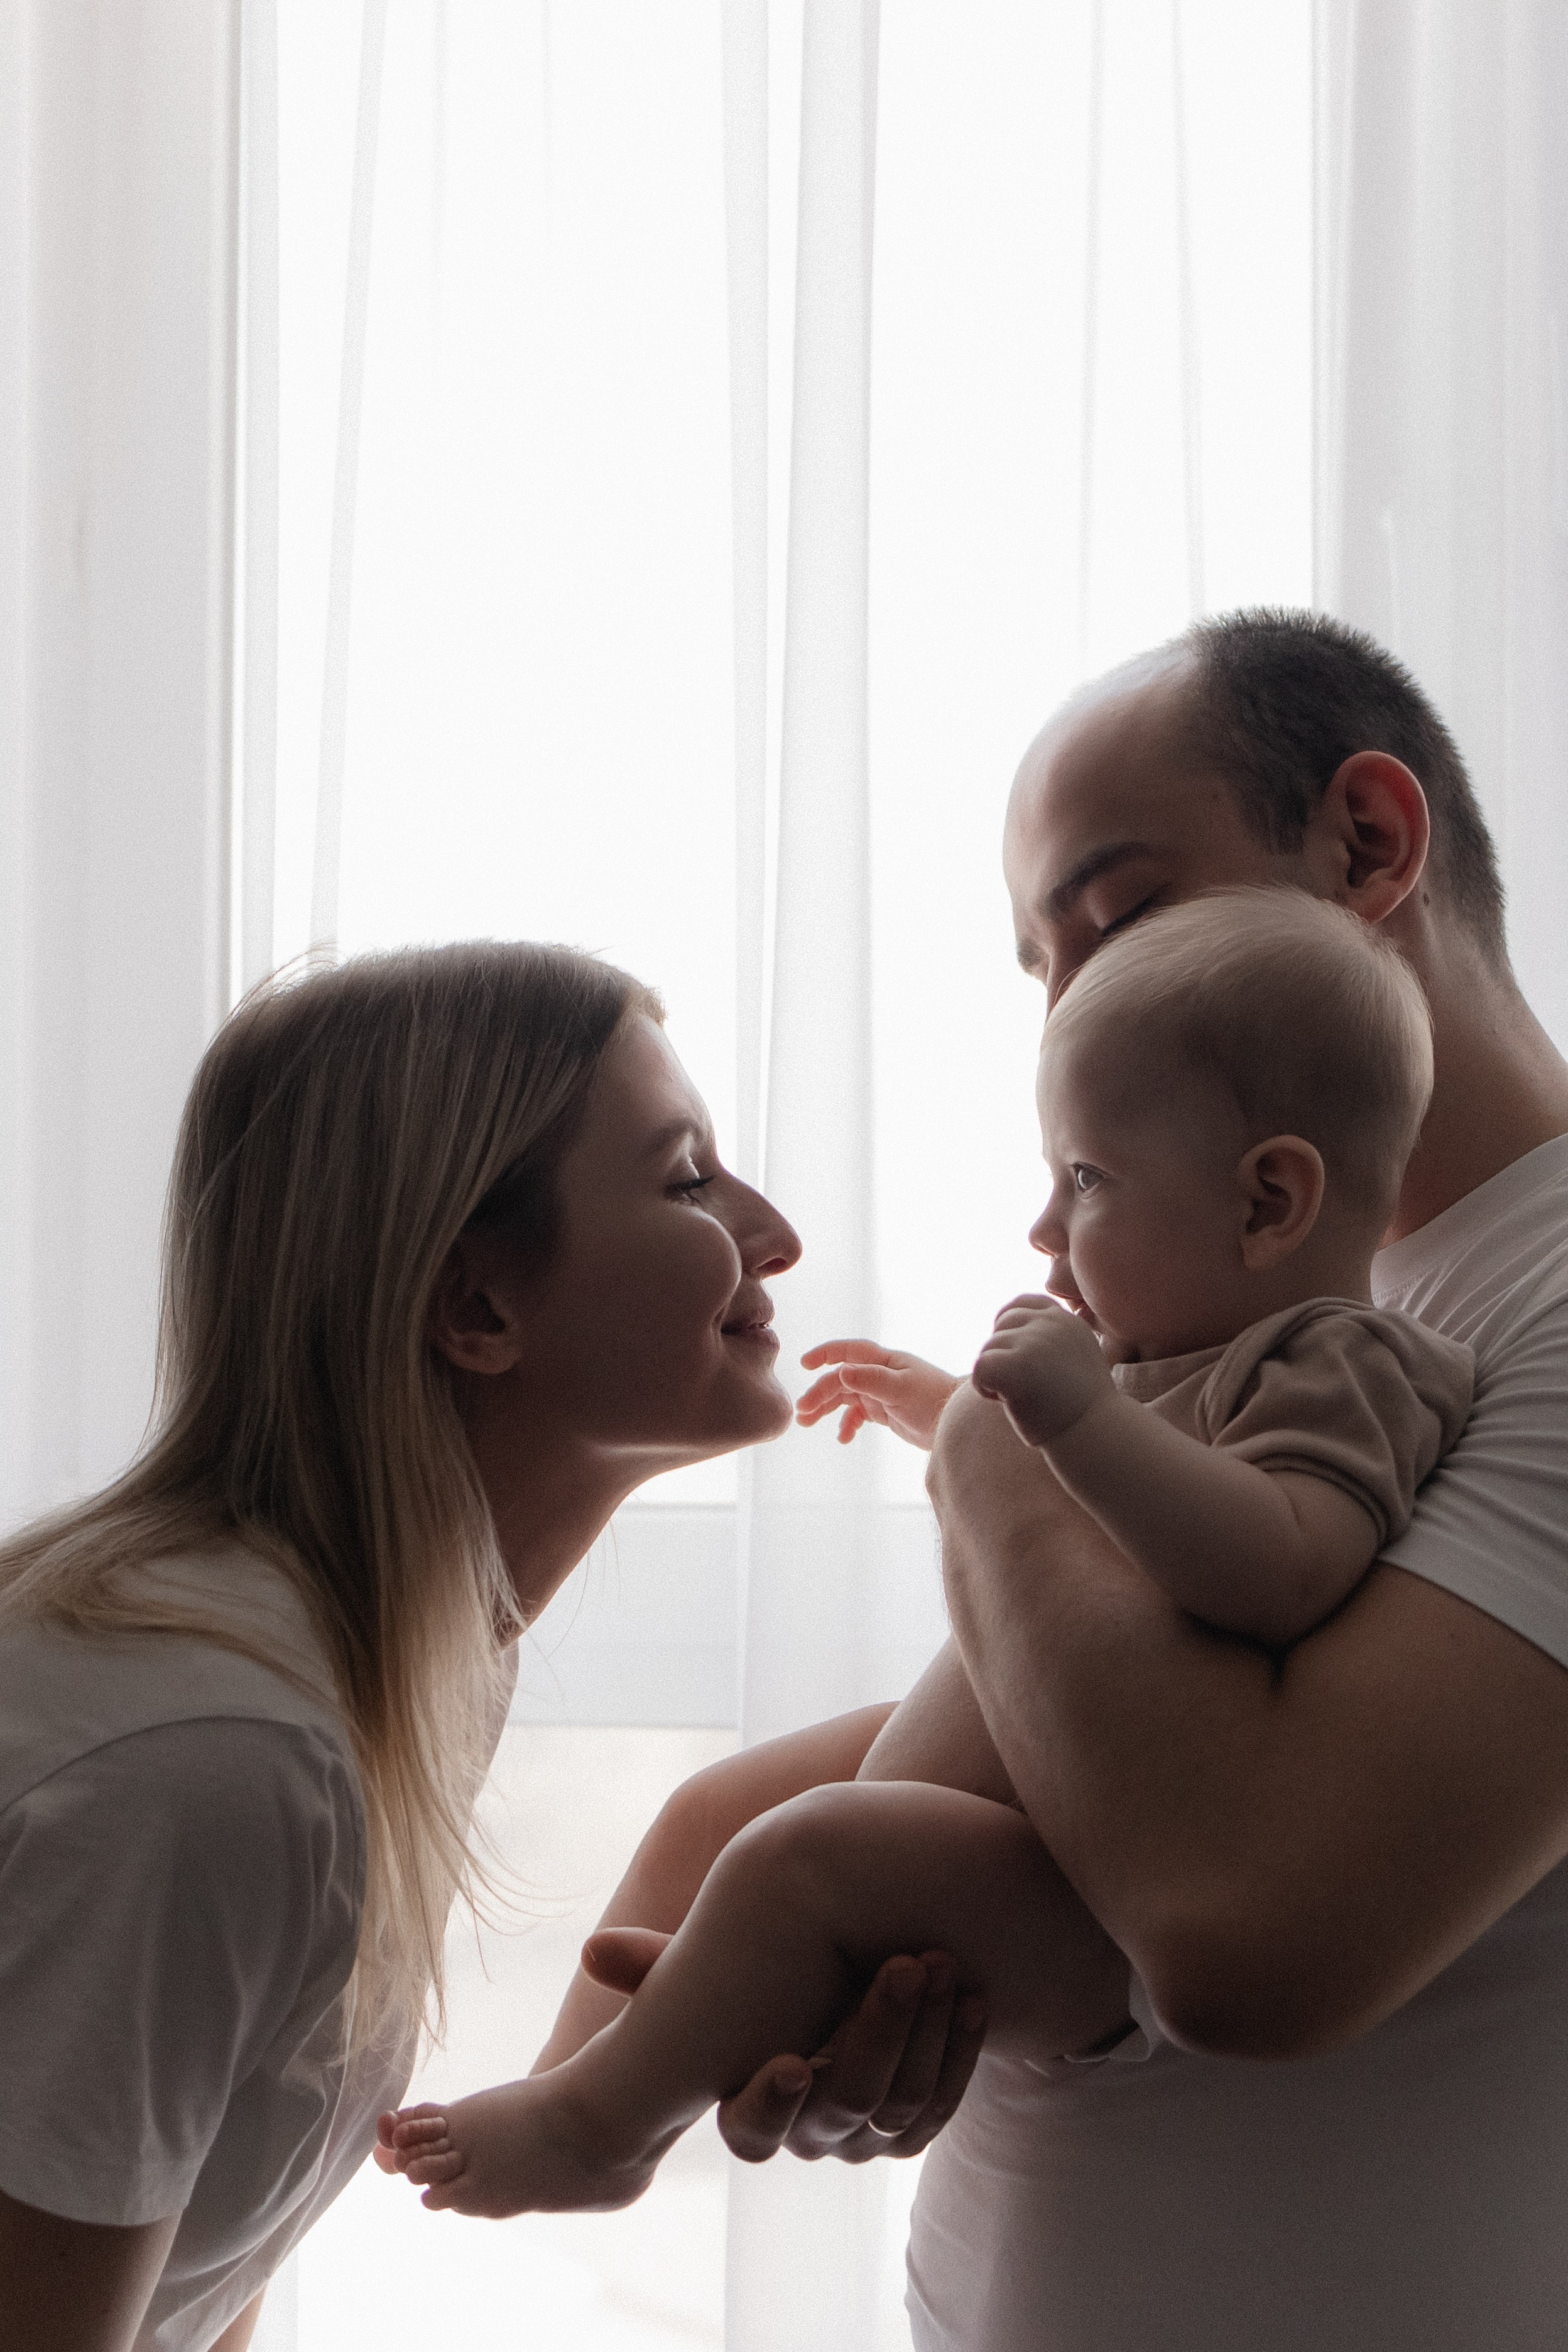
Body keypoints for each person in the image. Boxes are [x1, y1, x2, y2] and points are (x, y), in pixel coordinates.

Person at [533, 609, 1568, 2349]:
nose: (1087, 1011)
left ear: (1372, 844)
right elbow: (1146, 1729)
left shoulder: (1515, 1300)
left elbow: (1257, 1937)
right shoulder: (1291, 1300)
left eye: (1118, 919)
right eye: (1044, 969)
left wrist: (991, 1456)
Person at [374, 885, 1474, 2218]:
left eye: (1086, 1180)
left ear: (1269, 1202)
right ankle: (604, 2063)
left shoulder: (1349, 1359)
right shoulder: (1175, 1364)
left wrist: (1052, 1424)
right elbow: (1083, 1509)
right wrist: (960, 1413)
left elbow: (1283, 1560)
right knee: (714, 1816)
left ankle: (602, 2122)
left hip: (1087, 1895)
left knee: (808, 1856)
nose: (1044, 1229)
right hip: (1009, 1806)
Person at [1, 940, 957, 2352]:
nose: (774, 1231)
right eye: (688, 1178)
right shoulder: (223, 1761)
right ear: (478, 1309)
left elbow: (211, 2246)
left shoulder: (362, 1679)